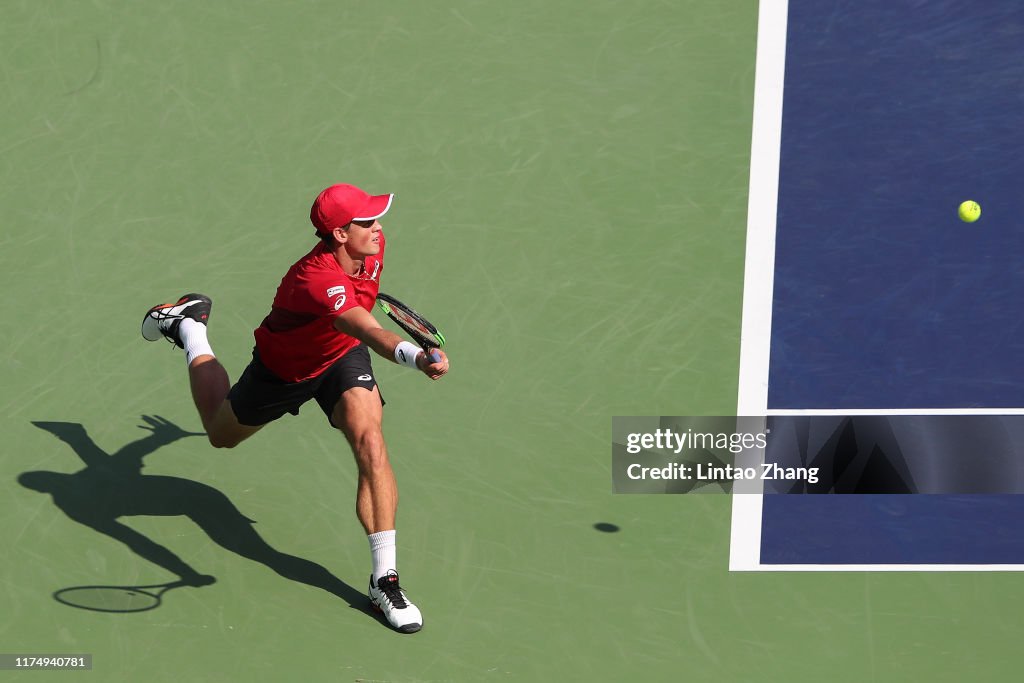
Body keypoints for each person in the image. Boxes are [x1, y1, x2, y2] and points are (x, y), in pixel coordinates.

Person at [140, 183, 449, 633]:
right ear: (340, 234)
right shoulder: (315, 279)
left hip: (342, 355)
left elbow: (358, 326)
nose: (378, 228)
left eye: (377, 218)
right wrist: (416, 357)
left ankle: (385, 580)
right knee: (219, 433)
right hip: (286, 369)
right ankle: (190, 328)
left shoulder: (371, 249)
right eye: (366, 222)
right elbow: (366, 326)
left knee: (371, 441)